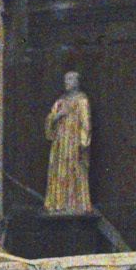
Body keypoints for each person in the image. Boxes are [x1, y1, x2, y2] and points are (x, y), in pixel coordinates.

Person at [44, 69, 92, 213]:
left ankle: (75, 204)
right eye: (66, 79)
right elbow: (49, 119)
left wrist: (83, 144)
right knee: (59, 170)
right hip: (60, 142)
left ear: (77, 82)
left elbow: (86, 124)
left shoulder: (82, 101)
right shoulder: (60, 101)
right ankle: (59, 203)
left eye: (70, 79)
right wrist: (57, 116)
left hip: (74, 143)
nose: (67, 82)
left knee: (74, 170)